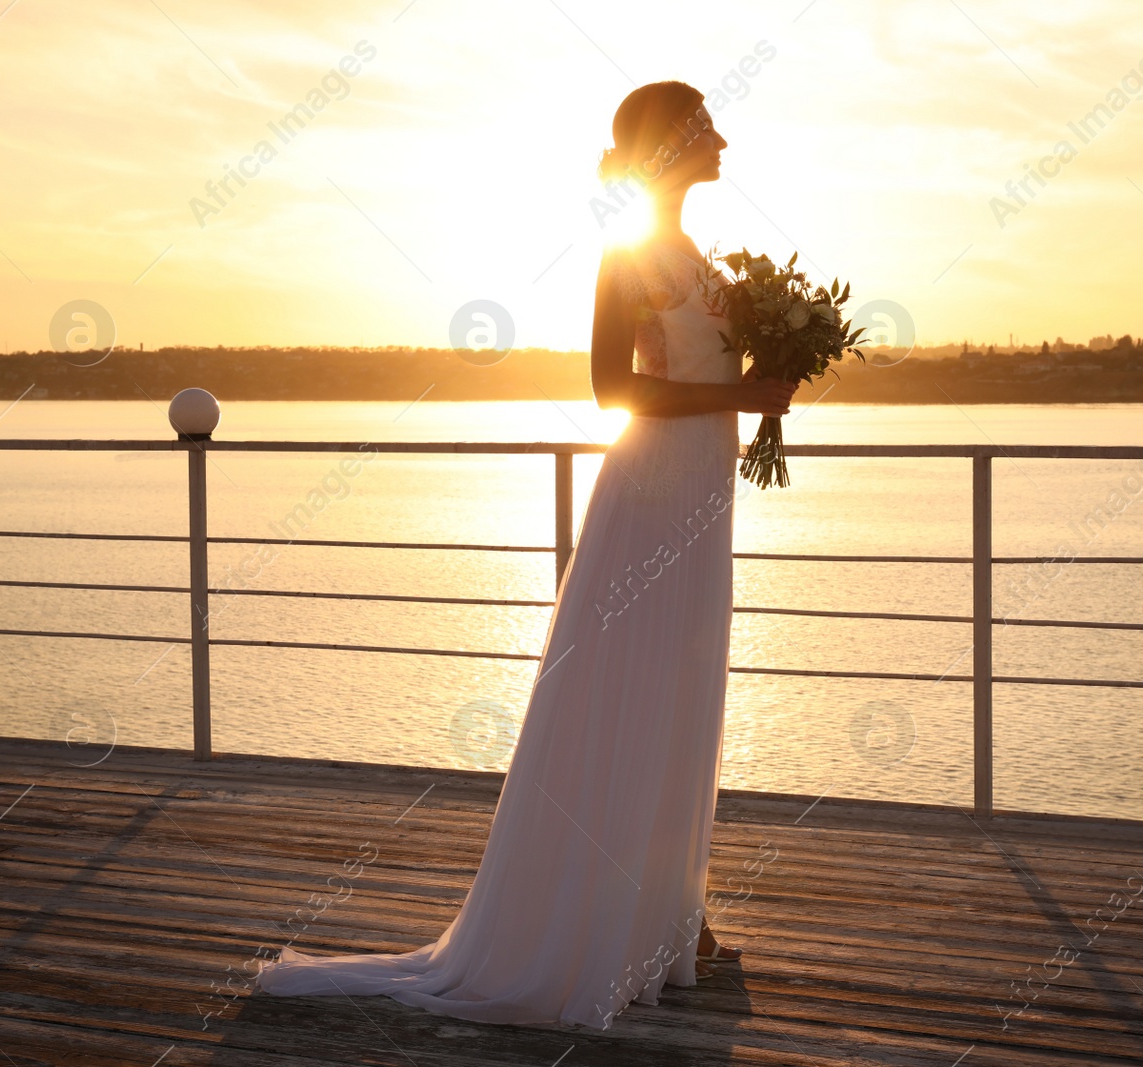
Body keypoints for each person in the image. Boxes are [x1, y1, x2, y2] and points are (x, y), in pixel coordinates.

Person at [252, 80, 796, 1029]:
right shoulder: (626, 255)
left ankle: (674, 917)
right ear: (671, 143)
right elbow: (607, 390)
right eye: (706, 123)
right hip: (653, 491)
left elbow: (713, 374)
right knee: (627, 681)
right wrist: (740, 400)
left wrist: (761, 392)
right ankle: (599, 922)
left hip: (704, 495)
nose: (724, 137)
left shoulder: (698, 257)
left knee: (683, 685)